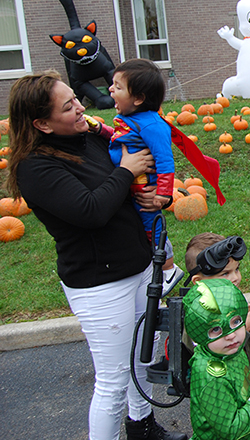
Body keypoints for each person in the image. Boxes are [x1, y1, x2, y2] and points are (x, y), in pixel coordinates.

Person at [5, 71, 186, 440]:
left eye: (75, 98)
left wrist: (150, 193)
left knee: (141, 359)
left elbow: (138, 170)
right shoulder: (35, 167)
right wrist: (124, 172)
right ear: (42, 123)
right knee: (113, 380)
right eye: (68, 106)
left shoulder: (88, 137)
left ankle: (143, 426)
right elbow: (90, 210)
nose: (80, 107)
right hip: (100, 283)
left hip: (137, 265)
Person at [107, 59, 183, 295]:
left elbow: (164, 159)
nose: (111, 90)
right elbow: (121, 137)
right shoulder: (132, 119)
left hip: (144, 189)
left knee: (152, 227)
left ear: (138, 98)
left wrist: (162, 192)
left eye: (118, 87)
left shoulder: (152, 124)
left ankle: (169, 269)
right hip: (128, 182)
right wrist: (101, 130)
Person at [183, 278, 250, 440]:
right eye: (216, 329)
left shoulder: (230, 351)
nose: (231, 335)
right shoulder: (212, 377)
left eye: (236, 321)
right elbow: (231, 430)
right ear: (199, 333)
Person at [183, 233, 250, 369]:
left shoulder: (231, 300)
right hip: (217, 386)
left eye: (237, 269)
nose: (235, 277)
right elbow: (205, 354)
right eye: (225, 274)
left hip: (241, 379)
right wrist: (244, 326)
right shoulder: (197, 313)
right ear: (199, 282)